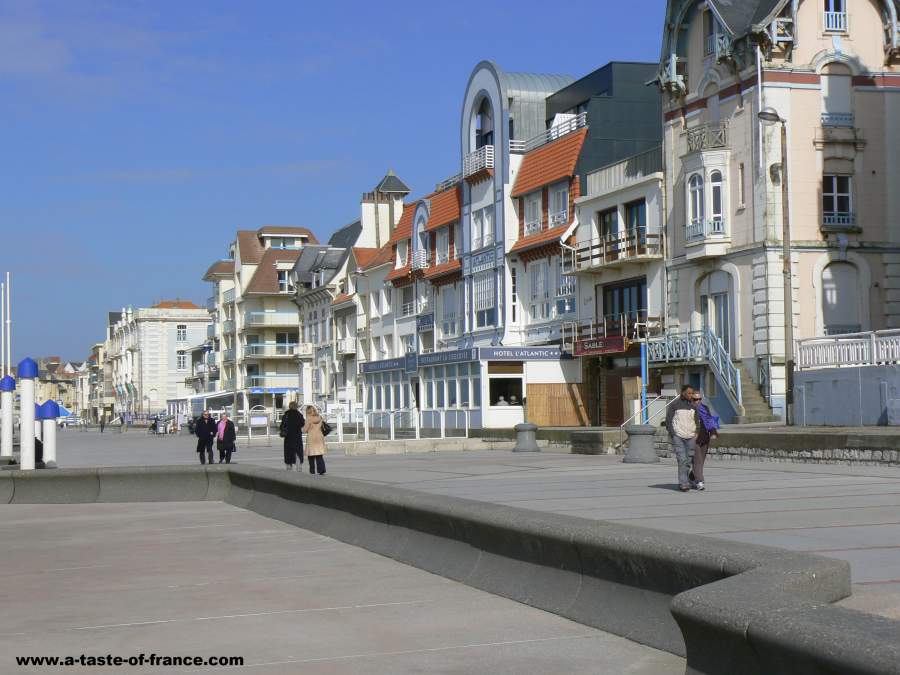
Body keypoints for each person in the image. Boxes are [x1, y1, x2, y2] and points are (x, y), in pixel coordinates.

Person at [665, 385, 698, 492]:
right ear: (683, 392)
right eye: (689, 393)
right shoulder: (674, 405)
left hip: (691, 436)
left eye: (692, 393)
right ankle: (683, 483)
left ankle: (687, 479)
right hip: (678, 436)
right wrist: (673, 434)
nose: (691, 395)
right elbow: (668, 421)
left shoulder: (693, 406)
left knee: (688, 460)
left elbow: (697, 421)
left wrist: (696, 432)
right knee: (682, 459)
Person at [690, 392, 720, 491]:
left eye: (699, 399)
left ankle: (691, 477)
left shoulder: (704, 408)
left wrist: (713, 432)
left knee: (701, 460)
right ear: (691, 399)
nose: (697, 401)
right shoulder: (688, 409)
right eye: (695, 399)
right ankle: (699, 481)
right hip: (693, 438)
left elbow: (709, 420)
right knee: (697, 459)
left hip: (704, 437)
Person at [280, 401, 305, 471]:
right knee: (298, 451)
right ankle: (299, 466)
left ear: (289, 406)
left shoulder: (286, 414)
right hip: (297, 436)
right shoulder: (299, 414)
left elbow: (282, 425)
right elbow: (302, 423)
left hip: (288, 436)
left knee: (288, 452)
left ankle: (289, 466)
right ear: (296, 406)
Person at [303, 405, 327, 476]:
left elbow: (305, 430)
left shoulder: (308, 419)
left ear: (308, 411)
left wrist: (302, 429)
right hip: (319, 437)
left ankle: (312, 471)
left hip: (311, 438)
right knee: (319, 455)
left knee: (311, 456)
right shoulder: (319, 417)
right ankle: (321, 470)